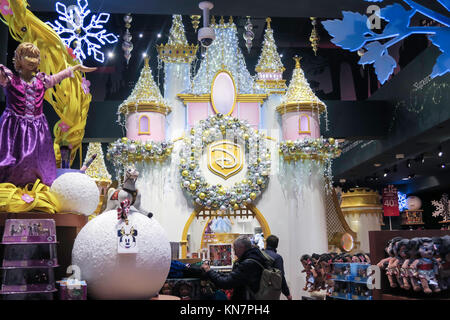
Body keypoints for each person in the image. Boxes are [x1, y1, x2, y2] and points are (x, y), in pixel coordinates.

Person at [0, 42, 96, 186]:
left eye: (35, 57)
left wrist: (76, 68)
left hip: (36, 130)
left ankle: (33, 187)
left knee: (36, 162)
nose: (32, 60)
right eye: (28, 56)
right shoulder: (10, 80)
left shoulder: (41, 81)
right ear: (19, 59)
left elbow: (59, 77)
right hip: (14, 129)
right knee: (13, 160)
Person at [201, 235, 268, 300]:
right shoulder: (255, 258)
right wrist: (215, 273)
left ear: (242, 248)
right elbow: (233, 276)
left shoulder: (248, 264)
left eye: (235, 249)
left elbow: (226, 282)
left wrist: (209, 271)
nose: (234, 253)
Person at [263, 234, 292, 300]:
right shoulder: (277, 258)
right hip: (271, 291)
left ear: (266, 243)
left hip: (259, 290)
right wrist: (287, 294)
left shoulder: (259, 254)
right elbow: (280, 277)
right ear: (277, 245)